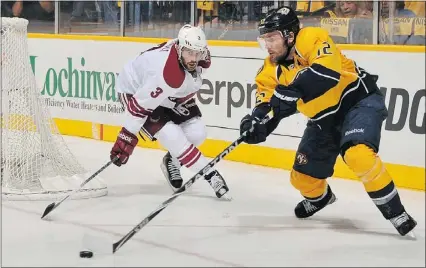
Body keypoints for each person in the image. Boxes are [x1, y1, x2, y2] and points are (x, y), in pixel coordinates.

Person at [239, 6, 416, 236]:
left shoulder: (312, 37)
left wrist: (291, 92)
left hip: (358, 102)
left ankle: (396, 212)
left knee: (358, 154)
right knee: (301, 179)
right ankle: (321, 198)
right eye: (265, 40)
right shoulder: (269, 69)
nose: (268, 46)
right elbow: (267, 107)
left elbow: (326, 75)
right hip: (323, 120)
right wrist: (256, 124)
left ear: (290, 36)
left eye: (272, 38)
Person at [110, 24, 230, 200]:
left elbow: (188, 74)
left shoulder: (193, 53)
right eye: (189, 52)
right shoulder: (167, 73)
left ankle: (171, 161)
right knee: (173, 137)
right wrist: (126, 137)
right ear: (180, 48)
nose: (194, 58)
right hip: (136, 92)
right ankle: (211, 175)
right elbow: (139, 106)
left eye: (197, 53)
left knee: (197, 133)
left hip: (167, 95)